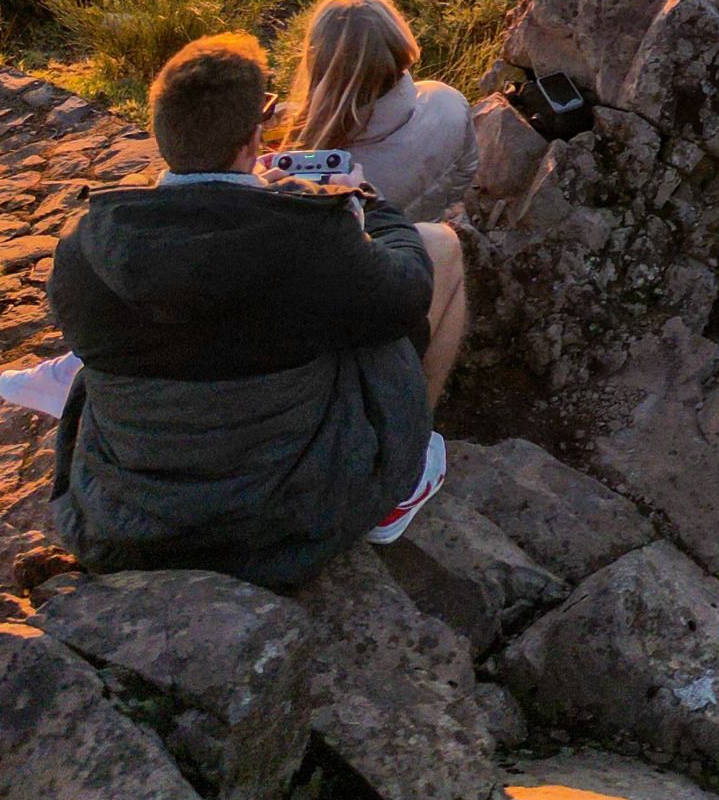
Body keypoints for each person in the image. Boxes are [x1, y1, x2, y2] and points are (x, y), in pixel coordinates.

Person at [46, 32, 467, 589]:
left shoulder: (83, 247)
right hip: (283, 514)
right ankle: (403, 480)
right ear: (252, 140)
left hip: (129, 515)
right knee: (431, 256)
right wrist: (367, 203)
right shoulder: (309, 232)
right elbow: (410, 293)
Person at [283, 0, 478, 220]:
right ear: (397, 37)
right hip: (423, 238)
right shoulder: (447, 102)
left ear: (320, 61)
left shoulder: (319, 166)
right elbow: (466, 171)